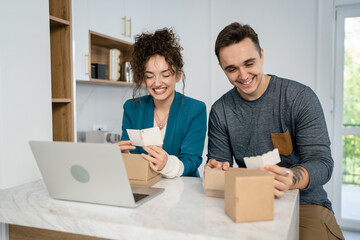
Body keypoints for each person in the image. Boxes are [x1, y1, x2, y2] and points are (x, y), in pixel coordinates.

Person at [205, 22, 344, 240]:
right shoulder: (220, 110)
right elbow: (220, 166)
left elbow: (322, 163)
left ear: (261, 55)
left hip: (305, 204)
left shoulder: (299, 98)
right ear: (222, 69)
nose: (242, 75)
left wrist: (291, 178)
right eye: (231, 69)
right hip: (250, 201)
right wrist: (215, 168)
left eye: (249, 63)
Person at [117, 28, 207, 178]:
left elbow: (192, 160)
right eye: (150, 76)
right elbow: (129, 152)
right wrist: (120, 156)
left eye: (165, 75)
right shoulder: (131, 108)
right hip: (146, 186)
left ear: (177, 75)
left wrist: (168, 164)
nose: (157, 83)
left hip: (183, 189)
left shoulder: (196, 110)